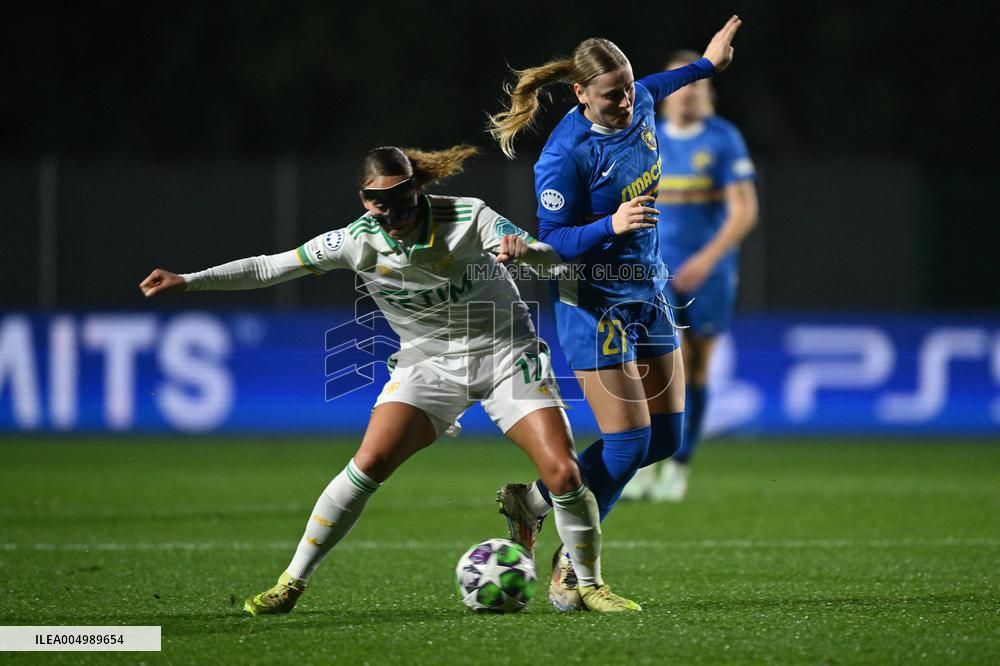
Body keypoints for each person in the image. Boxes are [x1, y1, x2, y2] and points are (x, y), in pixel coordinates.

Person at [138, 145, 641, 613]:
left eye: (403, 207)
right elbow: (273, 267)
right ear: (365, 201)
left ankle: (590, 585)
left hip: (505, 353)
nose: (396, 221)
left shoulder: (467, 217)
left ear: (416, 192)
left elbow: (550, 258)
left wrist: (526, 252)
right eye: (383, 210)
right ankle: (291, 582)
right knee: (369, 462)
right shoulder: (355, 242)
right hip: (427, 365)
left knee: (564, 474)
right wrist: (189, 280)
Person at [487, 16, 742, 610]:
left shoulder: (643, 101)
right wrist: (612, 224)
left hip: (648, 294)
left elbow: (664, 81)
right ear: (580, 95)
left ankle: (536, 502)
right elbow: (551, 241)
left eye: (628, 86)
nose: (626, 100)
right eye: (612, 93)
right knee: (629, 445)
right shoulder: (563, 157)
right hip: (592, 304)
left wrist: (707, 65)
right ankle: (572, 570)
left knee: (666, 439)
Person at [621, 50, 759, 502]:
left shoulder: (722, 138)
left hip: (710, 272)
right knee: (655, 366)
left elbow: (744, 210)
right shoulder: (646, 137)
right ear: (663, 97)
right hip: (653, 270)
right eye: (680, 87)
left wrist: (707, 259)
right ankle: (645, 463)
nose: (687, 96)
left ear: (708, 94)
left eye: (696, 87)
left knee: (696, 369)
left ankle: (679, 466)